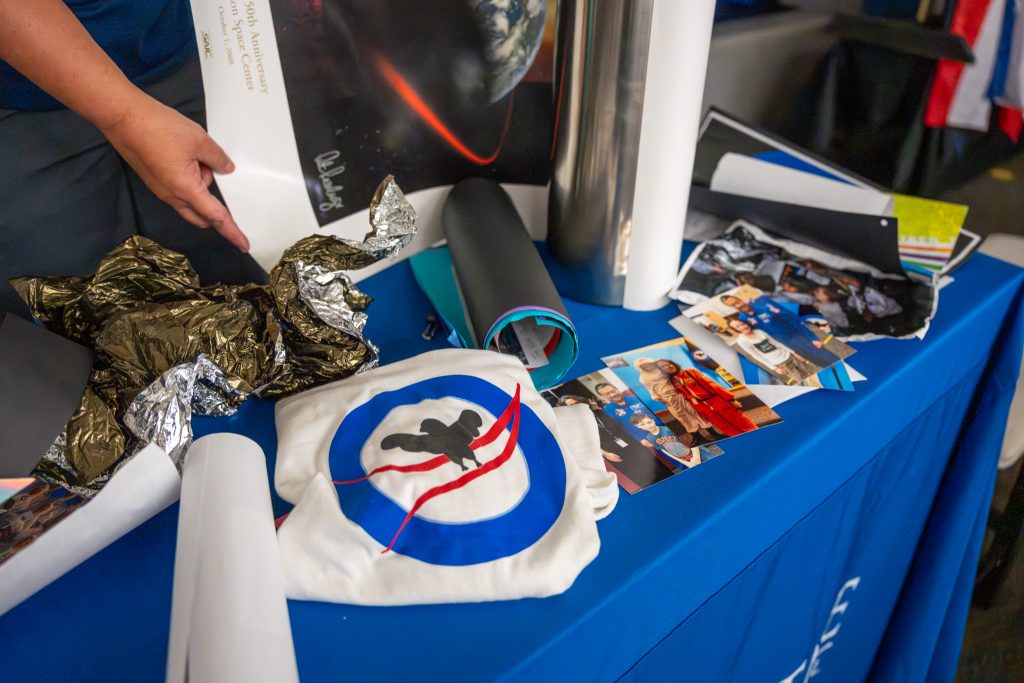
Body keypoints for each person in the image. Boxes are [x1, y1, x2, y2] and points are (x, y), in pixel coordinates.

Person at [0, 1, 264, 321]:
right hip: (19, 91)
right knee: (69, 312)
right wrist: (126, 116)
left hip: (187, 41)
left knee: (244, 276)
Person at [721, 293, 839, 369]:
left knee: (830, 358)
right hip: (786, 346)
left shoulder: (765, 307)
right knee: (820, 364)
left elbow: (792, 321)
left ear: (740, 298)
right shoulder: (743, 319)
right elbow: (752, 336)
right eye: (733, 306)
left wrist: (812, 338)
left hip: (799, 338)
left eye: (737, 302)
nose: (737, 305)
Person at [659, 359, 758, 438]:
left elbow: (713, 385)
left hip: (717, 401)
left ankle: (759, 436)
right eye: (663, 367)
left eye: (668, 364)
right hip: (703, 408)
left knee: (742, 422)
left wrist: (730, 399)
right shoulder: (672, 382)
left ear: (673, 364)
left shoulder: (691, 372)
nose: (667, 367)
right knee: (727, 428)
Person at [632, 357, 715, 442]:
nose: (647, 366)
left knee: (696, 412)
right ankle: (699, 438)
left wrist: (687, 389)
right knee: (684, 418)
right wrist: (659, 399)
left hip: (681, 393)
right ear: (641, 368)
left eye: (648, 364)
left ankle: (714, 433)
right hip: (668, 398)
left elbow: (677, 376)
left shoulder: (662, 368)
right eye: (644, 366)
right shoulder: (643, 377)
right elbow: (651, 390)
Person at [727, 318, 817, 384]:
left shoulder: (759, 331)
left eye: (742, 324)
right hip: (781, 364)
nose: (742, 327)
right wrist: (774, 368)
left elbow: (777, 343)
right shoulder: (742, 341)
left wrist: (794, 353)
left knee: (812, 373)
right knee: (804, 380)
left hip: (789, 356)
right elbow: (756, 356)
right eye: (738, 327)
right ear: (735, 330)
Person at [629, 414, 701, 468]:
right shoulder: (650, 437)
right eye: (642, 424)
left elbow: (690, 439)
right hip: (686, 461)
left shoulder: (668, 429)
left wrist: (696, 457)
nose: (648, 426)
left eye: (649, 422)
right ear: (638, 426)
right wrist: (686, 463)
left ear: (653, 420)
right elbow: (666, 451)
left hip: (698, 455)